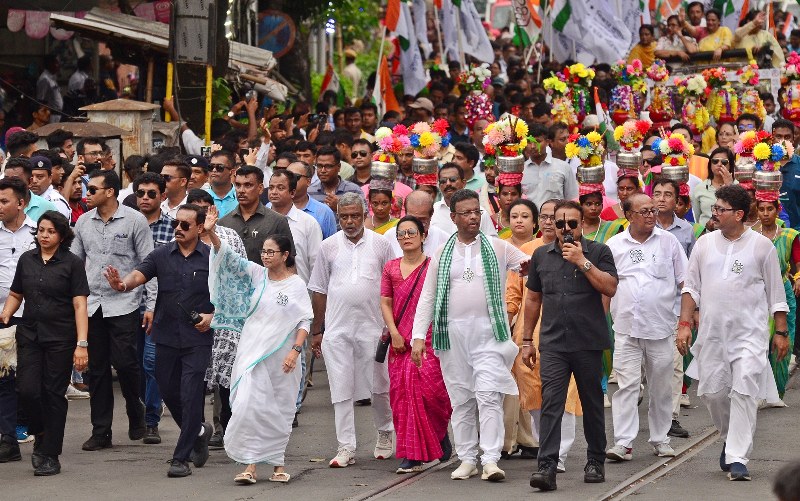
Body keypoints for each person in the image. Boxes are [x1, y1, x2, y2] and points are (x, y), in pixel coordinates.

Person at [411, 189, 530, 482]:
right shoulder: (442, 252)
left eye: (476, 211)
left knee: (489, 395)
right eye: (466, 213)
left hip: (490, 334)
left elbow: (530, 266)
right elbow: (428, 296)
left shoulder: (498, 247)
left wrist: (539, 263)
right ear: (453, 217)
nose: (473, 217)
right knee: (462, 399)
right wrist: (418, 336)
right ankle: (466, 459)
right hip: (453, 335)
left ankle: (490, 460)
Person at [678, 185, 789, 481]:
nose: (714, 213)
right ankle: (729, 439)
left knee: (744, 390)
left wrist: (780, 331)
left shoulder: (761, 246)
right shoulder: (704, 244)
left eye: (720, 209)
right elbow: (691, 287)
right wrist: (684, 324)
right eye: (715, 208)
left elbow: (776, 293)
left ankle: (738, 457)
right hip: (712, 334)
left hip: (749, 334)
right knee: (713, 393)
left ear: (738, 214)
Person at [202, 205, 312, 484]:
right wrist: (212, 233)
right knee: (249, 406)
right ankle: (250, 466)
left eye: (271, 252)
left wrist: (295, 351)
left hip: (283, 358)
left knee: (278, 411)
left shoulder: (296, 285)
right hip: (252, 355)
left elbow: (304, 321)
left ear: (285, 255)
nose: (265, 256)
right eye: (263, 251)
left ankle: (277, 465)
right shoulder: (257, 275)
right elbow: (229, 258)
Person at [103, 204, 215, 478]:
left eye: (185, 225)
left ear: (200, 228)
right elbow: (139, 274)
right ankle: (198, 432)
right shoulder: (161, 254)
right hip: (165, 335)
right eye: (176, 223)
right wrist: (122, 285)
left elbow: (227, 295)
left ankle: (181, 457)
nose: (178, 228)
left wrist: (213, 316)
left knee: (191, 395)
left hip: (197, 337)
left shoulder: (212, 258)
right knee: (168, 391)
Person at [524, 200, 618, 491]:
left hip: (588, 342)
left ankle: (595, 460)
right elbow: (533, 299)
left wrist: (582, 261)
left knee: (592, 403)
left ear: (582, 225)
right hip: (553, 343)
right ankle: (547, 466)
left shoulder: (599, 252)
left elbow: (610, 287)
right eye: (560, 223)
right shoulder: (541, 255)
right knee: (552, 402)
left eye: (572, 224)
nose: (566, 229)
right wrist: (527, 341)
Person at [308, 192, 395, 468]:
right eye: (344, 217)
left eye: (355, 216)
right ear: (338, 218)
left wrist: (393, 326)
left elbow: (392, 286)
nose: (349, 221)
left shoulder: (381, 244)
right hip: (337, 329)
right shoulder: (328, 247)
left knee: (380, 386)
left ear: (364, 215)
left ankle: (385, 432)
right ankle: (346, 446)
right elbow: (319, 289)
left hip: (374, 329)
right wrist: (318, 330)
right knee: (340, 388)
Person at [1, 211, 89, 475]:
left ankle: (50, 453)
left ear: (61, 235)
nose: (44, 236)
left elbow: (79, 304)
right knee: (27, 390)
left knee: (53, 394)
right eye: (41, 230)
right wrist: (6, 313)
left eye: (51, 231)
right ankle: (40, 432)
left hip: (61, 338)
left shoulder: (72, 264)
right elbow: (16, 293)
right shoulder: (27, 259)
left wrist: (82, 344)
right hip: (29, 334)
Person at [72, 170, 153, 452]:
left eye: (93, 189)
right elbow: (74, 264)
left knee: (126, 364)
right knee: (97, 370)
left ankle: (135, 408)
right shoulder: (83, 222)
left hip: (124, 303)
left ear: (110, 192)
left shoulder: (135, 220)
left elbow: (148, 265)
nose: (87, 194)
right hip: (93, 304)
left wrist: (151, 305)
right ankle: (101, 431)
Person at [605, 194, 688, 463]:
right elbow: (606, 285)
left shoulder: (669, 242)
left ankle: (661, 439)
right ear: (629, 215)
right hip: (626, 329)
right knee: (626, 386)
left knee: (661, 388)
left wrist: (687, 319)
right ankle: (623, 443)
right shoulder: (614, 245)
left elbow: (685, 282)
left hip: (661, 328)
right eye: (644, 211)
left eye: (653, 210)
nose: (651, 215)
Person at [506, 199, 582, 473]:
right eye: (546, 217)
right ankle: (545, 448)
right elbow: (513, 295)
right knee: (534, 393)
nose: (551, 223)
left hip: (567, 333)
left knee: (566, 394)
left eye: (556, 218)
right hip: (529, 334)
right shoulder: (526, 253)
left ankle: (559, 454)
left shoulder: (579, 252)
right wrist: (506, 324)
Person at [380, 216, 452, 473]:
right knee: (403, 397)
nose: (407, 237)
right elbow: (385, 302)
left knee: (433, 394)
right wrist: (394, 333)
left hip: (428, 339)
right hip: (399, 341)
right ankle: (412, 455)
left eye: (412, 232)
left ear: (423, 236)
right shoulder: (390, 268)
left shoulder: (433, 266)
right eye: (401, 234)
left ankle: (439, 434)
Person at [185, 189, 247, 448]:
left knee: (226, 377)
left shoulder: (229, 236)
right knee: (195, 378)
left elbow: (241, 275)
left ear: (214, 211)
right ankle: (196, 431)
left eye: (205, 208)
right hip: (190, 317)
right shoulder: (183, 237)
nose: (201, 214)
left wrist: (220, 314)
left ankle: (225, 429)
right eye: (195, 209)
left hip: (225, 317)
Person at [133, 173, 173, 445]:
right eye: (140, 193)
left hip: (157, 307)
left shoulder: (172, 227)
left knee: (151, 363)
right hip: (125, 305)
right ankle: (138, 412)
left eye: (151, 194)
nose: (145, 198)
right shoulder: (126, 223)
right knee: (131, 365)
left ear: (163, 196)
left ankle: (151, 421)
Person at [0, 178, 37, 464]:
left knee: (30, 383)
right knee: (4, 380)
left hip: (33, 318)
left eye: (4, 201)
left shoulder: (40, 232)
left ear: (21, 203)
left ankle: (37, 431)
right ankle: (8, 439)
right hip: (2, 318)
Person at [754, 196, 798, 400]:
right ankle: (758, 390)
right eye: (761, 209)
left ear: (778, 210)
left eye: (769, 209)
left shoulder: (789, 236)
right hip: (758, 291)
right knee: (759, 339)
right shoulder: (751, 235)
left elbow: (798, 262)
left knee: (783, 337)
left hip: (783, 289)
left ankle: (776, 392)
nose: (765, 214)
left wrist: (798, 277)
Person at [218, 165, 294, 264]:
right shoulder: (223, 223)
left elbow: (289, 262)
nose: (241, 190)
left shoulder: (277, 221)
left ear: (260, 188)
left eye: (248, 185)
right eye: (238, 185)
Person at [266, 171, 322, 284]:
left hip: (300, 290)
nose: (274, 192)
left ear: (292, 193)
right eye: (271, 188)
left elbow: (316, 264)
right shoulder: (261, 220)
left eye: (280, 188)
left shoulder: (308, 223)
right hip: (265, 289)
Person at [522, 124, 578, 209]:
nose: (533, 146)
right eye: (529, 142)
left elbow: (572, 199)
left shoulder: (563, 167)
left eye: (537, 141)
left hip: (556, 216)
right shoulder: (521, 170)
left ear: (547, 142)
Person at [431, 164, 497, 235]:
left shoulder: (480, 212)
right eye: (443, 181)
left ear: (464, 183)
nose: (448, 184)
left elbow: (491, 239)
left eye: (453, 179)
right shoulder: (433, 211)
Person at [385, 191, 451, 258]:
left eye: (422, 219)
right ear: (405, 213)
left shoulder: (445, 241)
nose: (416, 224)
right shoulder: (390, 237)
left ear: (431, 214)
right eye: (412, 219)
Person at [285, 161, 338, 239]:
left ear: (308, 181)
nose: (290, 181)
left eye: (295, 177)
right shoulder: (271, 207)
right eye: (287, 177)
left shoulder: (324, 212)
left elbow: (331, 244)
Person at [308, 146, 363, 215]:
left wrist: (339, 207)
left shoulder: (354, 190)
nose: (323, 170)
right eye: (319, 166)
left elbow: (364, 216)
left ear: (339, 167)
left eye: (328, 166)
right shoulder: (309, 192)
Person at [3, 158, 58, 223]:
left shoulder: (46, 208)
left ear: (30, 182)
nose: (9, 184)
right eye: (6, 179)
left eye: (15, 180)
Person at [690, 147, 735, 227]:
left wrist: (729, 187)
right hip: (706, 232)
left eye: (724, 162)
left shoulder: (737, 187)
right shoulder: (700, 188)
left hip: (730, 230)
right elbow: (696, 217)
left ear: (730, 165)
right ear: (710, 164)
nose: (719, 164)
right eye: (715, 161)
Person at [27, 155, 71, 220]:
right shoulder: (25, 199)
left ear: (50, 178)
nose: (34, 181)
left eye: (40, 177)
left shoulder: (56, 202)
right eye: (31, 177)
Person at [206, 150, 239, 218]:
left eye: (219, 167)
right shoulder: (201, 197)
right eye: (211, 167)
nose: (214, 170)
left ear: (232, 172)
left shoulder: (241, 196)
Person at [35, 55, 62, 123]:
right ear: (50, 64)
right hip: (50, 117)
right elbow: (41, 101)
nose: (59, 65)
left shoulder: (52, 77)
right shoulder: (44, 79)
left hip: (57, 115)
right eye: (56, 63)